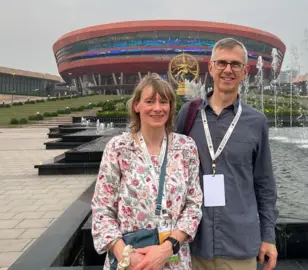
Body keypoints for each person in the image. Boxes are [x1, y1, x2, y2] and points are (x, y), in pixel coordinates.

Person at [175, 38, 279, 270]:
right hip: (193, 243)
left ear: (245, 71)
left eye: (235, 64)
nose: (228, 70)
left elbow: (265, 184)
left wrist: (268, 236)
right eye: (221, 63)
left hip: (239, 245)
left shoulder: (256, 122)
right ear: (211, 68)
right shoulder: (188, 114)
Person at [91, 73, 203, 270]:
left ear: (171, 107)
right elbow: (102, 209)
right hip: (130, 261)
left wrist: (169, 247)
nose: (157, 108)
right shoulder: (118, 148)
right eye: (150, 101)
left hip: (173, 259)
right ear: (137, 105)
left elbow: (194, 205)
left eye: (164, 102)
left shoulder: (186, 148)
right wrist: (126, 255)